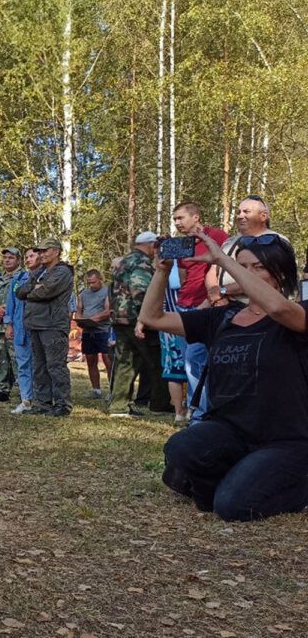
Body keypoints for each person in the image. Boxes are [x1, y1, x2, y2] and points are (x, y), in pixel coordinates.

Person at [141, 231, 308, 521]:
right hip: (232, 432)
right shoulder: (222, 317)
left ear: (281, 273)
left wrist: (222, 260)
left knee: (232, 506)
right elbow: (152, 318)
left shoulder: (297, 313)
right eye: (242, 266)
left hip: (286, 439)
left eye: (258, 267)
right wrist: (161, 271)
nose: (247, 273)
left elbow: (278, 307)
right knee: (181, 448)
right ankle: (247, 474)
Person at [170, 201, 230, 424]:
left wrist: (213, 299)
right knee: (191, 363)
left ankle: (200, 415)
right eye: (175, 219)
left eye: (180, 218)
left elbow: (226, 266)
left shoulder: (217, 236)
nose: (177, 223)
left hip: (207, 306)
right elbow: (182, 276)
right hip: (184, 306)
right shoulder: (181, 244)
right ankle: (198, 410)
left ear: (196, 217)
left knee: (194, 360)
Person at [16, 239, 75, 417]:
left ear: (56, 251)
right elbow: (19, 292)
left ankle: (62, 405)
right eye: (39, 251)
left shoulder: (63, 271)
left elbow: (46, 292)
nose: (41, 254)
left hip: (53, 325)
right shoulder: (39, 272)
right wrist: (34, 287)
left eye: (45, 251)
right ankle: (44, 403)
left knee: (56, 366)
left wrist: (34, 290)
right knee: (39, 366)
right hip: (36, 324)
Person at [108, 233, 162, 416]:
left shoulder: (123, 261)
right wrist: (148, 317)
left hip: (120, 318)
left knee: (125, 362)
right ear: (151, 245)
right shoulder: (141, 263)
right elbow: (142, 292)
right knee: (156, 361)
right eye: (156, 246)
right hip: (137, 318)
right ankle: (160, 403)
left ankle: (118, 406)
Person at [206, 195, 287, 305]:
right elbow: (213, 270)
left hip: (255, 308)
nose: (240, 216)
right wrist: (216, 296)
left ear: (263, 216)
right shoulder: (229, 242)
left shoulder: (275, 241)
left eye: (246, 212)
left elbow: (267, 279)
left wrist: (223, 290)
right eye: (238, 212)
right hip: (221, 304)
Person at [4, 249, 36, 413]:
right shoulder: (18, 279)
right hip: (20, 328)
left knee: (39, 365)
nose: (29, 259)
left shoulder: (48, 277)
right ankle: (26, 400)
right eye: (27, 257)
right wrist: (9, 325)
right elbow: (11, 304)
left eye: (32, 256)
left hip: (38, 327)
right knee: (23, 364)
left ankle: (42, 399)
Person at [75, 269, 112, 399]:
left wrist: (93, 319)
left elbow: (108, 311)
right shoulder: (83, 294)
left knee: (108, 360)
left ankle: (112, 391)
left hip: (104, 330)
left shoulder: (107, 291)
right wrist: (80, 320)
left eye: (94, 282)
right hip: (88, 332)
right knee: (90, 360)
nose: (91, 285)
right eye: (89, 283)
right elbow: (79, 310)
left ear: (100, 279)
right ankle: (96, 389)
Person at [0, 249, 20, 402]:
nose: (7, 260)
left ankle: (23, 390)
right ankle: (2, 389)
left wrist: (5, 311)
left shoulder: (23, 277)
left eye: (11, 257)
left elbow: (21, 299)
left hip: (15, 325)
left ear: (18, 260)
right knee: (0, 358)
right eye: (5, 257)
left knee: (17, 358)